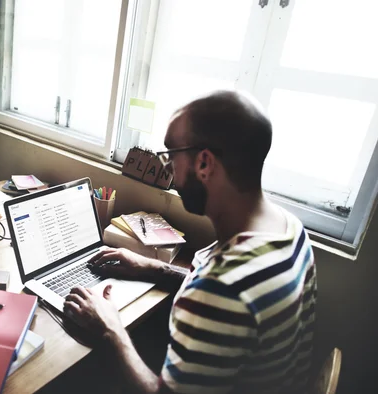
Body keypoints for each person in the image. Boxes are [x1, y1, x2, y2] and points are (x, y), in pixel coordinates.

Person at [64, 90, 317, 393]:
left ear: (205, 163)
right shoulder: (290, 231)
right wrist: (153, 268)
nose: (168, 168)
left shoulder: (220, 290)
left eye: (171, 154)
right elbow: (225, 290)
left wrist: (110, 329)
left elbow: (219, 292)